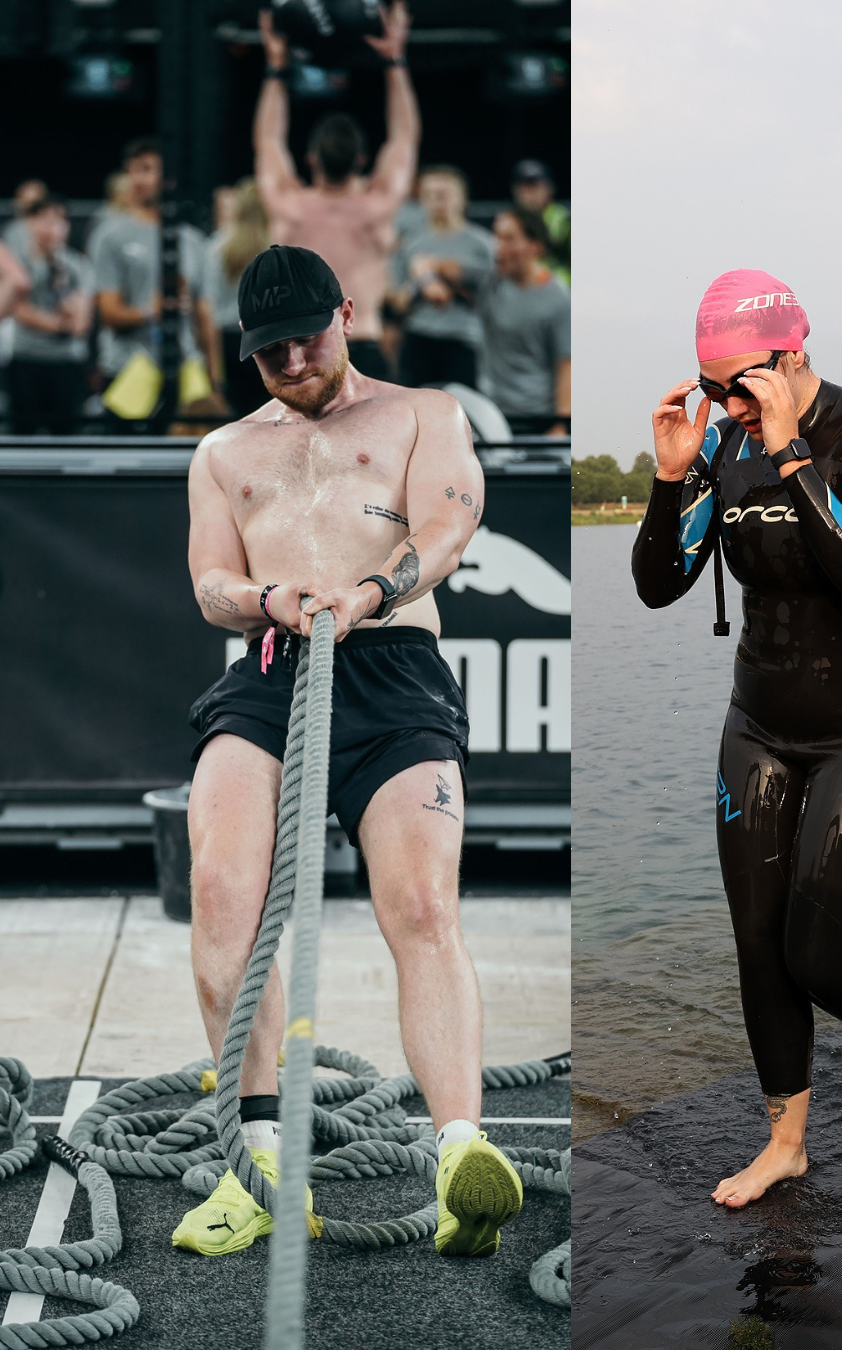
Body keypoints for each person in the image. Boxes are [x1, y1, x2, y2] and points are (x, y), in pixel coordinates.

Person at [172, 243, 522, 1260]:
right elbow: (208, 582)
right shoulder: (225, 453)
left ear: (348, 315)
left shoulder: (424, 414)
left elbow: (452, 523)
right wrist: (269, 599)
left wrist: (371, 593)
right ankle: (259, 1165)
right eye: (270, 350)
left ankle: (462, 1159)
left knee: (420, 904)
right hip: (273, 666)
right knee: (223, 894)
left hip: (393, 667)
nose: (292, 360)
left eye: (307, 338)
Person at [632, 268, 842, 1207]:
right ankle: (787, 1143)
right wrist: (673, 473)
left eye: (737, 384)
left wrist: (795, 454)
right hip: (757, 725)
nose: (723, 402)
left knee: (819, 957)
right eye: (710, 383)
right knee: (758, 944)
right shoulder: (721, 447)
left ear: (791, 355)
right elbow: (658, 582)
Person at [254, 3, 419, 382]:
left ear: (310, 159)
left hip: (300, 350)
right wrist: (395, 61)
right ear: (363, 159)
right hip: (361, 343)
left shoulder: (290, 205)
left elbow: (269, 141)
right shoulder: (376, 206)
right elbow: (404, 140)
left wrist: (276, 67)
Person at [89, 136, 218, 422]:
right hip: (128, 371)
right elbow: (108, 312)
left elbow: (204, 315)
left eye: (147, 169)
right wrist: (152, 310)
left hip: (186, 368)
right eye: (132, 170)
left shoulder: (193, 241)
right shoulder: (109, 237)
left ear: (167, 177)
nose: (137, 179)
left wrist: (215, 379)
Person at [389, 166, 494, 389]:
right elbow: (397, 302)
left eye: (444, 194)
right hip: (419, 338)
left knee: (464, 412)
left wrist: (445, 272)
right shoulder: (409, 245)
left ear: (462, 198)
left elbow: (495, 298)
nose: (437, 201)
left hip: (464, 340)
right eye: (429, 195)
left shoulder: (483, 244)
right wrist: (423, 281)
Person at [478, 207, 570, 435]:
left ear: (535, 247)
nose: (498, 247)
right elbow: (448, 269)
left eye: (509, 239)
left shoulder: (559, 299)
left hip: (537, 419)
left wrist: (561, 425)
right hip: (490, 414)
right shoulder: (489, 282)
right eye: (497, 237)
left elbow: (566, 365)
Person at [8, 195, 93, 435]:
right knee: (22, 433)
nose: (50, 228)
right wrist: (60, 325)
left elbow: (80, 321)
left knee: (67, 433)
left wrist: (60, 278)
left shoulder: (77, 266)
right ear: (31, 224)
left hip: (66, 361)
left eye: (57, 221)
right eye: (43, 220)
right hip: (27, 358)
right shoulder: (18, 263)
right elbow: (20, 311)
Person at [203, 178, 271, 417]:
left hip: (230, 343)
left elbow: (208, 312)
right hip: (269, 340)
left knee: (238, 421)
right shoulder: (280, 248)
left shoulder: (217, 247)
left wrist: (215, 374)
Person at [511, 160, 569, 286]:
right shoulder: (510, 220)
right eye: (523, 187)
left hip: (560, 287)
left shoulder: (562, 219)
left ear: (549, 189)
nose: (527, 193)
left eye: (533, 186)